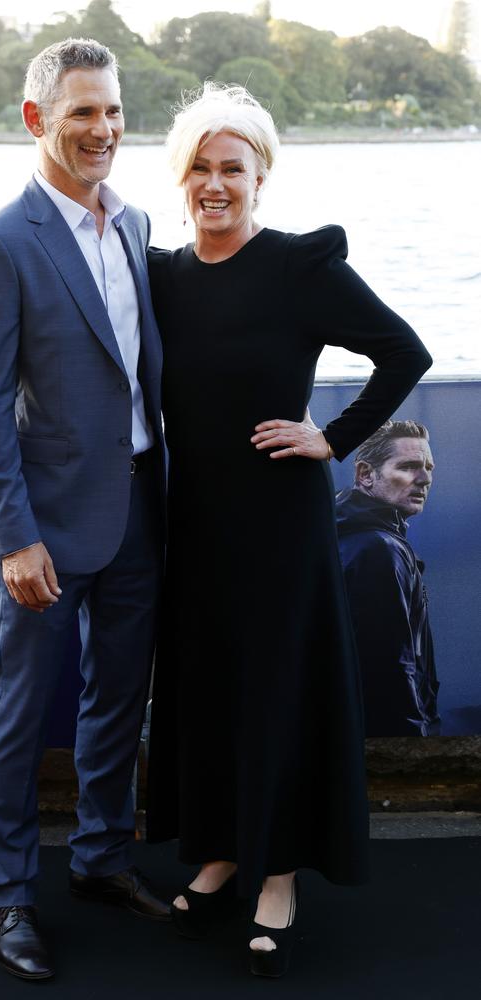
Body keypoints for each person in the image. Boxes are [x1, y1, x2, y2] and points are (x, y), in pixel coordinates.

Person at [145, 83, 433, 978]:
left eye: (235, 167)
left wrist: (332, 437)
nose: (216, 183)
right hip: (194, 520)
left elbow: (405, 351)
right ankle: (223, 852)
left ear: (261, 176)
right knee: (211, 689)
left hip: (278, 520)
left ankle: (276, 877)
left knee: (274, 691)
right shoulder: (161, 275)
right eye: (202, 166)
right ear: (181, 175)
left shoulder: (300, 268)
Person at [0, 38, 169, 982]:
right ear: (39, 120)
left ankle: (100, 860)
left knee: (118, 698)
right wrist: (13, 538)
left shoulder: (136, 222)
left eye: (114, 111)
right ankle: (9, 898)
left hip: (139, 513)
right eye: (83, 112)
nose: (104, 130)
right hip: (44, 528)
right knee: (17, 710)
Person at [336, 420, 440, 737]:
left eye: (428, 467)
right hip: (387, 738)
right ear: (365, 474)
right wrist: (414, 743)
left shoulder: (350, 537)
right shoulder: (379, 550)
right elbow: (391, 665)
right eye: (409, 466)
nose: (424, 479)